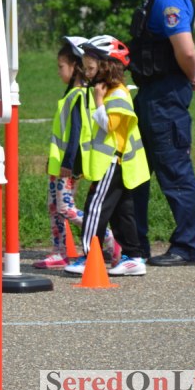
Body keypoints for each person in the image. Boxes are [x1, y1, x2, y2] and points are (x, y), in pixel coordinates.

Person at [123, 0, 195, 266]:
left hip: (164, 98)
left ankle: (187, 247)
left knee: (174, 171)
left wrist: (190, 73)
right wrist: (189, 71)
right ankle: (135, 245)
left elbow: (185, 49)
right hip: (153, 93)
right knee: (137, 170)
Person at [64, 36, 150, 276]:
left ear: (107, 66)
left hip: (112, 163)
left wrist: (99, 100)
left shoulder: (117, 95)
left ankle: (90, 257)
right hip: (115, 164)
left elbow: (109, 125)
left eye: (91, 68)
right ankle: (134, 257)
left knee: (95, 208)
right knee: (122, 212)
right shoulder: (112, 92)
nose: (87, 73)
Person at [35, 37, 120, 270]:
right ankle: (59, 252)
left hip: (66, 166)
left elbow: (75, 133)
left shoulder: (79, 96)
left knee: (66, 208)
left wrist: (68, 164)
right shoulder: (71, 94)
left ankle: (110, 239)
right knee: (54, 208)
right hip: (58, 163)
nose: (58, 71)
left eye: (61, 66)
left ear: (76, 67)